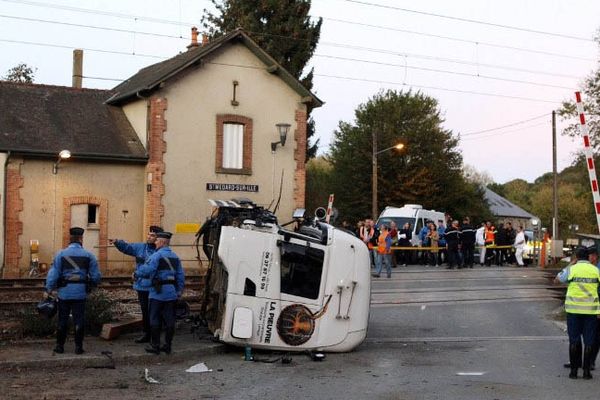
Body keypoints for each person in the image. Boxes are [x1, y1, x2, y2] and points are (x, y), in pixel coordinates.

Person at [44, 227, 101, 354]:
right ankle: (78, 347)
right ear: (81, 239)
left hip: (64, 293)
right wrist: (91, 286)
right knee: (79, 320)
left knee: (62, 320)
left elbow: (53, 275)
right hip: (80, 294)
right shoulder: (89, 255)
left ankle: (59, 346)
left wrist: (48, 289)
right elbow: (96, 277)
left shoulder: (60, 254)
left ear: (70, 239)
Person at [109, 225, 163, 343]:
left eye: (152, 235)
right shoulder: (141, 247)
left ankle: (155, 336)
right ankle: (147, 334)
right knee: (145, 311)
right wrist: (118, 242)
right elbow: (128, 247)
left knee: (154, 312)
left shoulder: (160, 251)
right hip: (142, 286)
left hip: (154, 287)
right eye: (148, 234)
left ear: (158, 238)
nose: (149, 237)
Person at [555, 246, 600, 379]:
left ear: (576, 257)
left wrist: (569, 265)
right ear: (588, 257)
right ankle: (586, 372)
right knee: (589, 341)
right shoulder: (596, 270)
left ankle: (573, 372)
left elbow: (558, 280)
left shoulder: (572, 269)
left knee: (574, 340)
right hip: (591, 312)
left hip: (573, 311)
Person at [137, 231, 185, 354]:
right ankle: (167, 346)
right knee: (170, 320)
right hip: (171, 293)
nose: (155, 242)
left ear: (162, 242)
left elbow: (148, 269)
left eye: (157, 240)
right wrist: (179, 291)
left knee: (154, 318)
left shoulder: (156, 256)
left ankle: (155, 346)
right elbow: (180, 276)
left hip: (157, 293)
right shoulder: (175, 257)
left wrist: (136, 273)